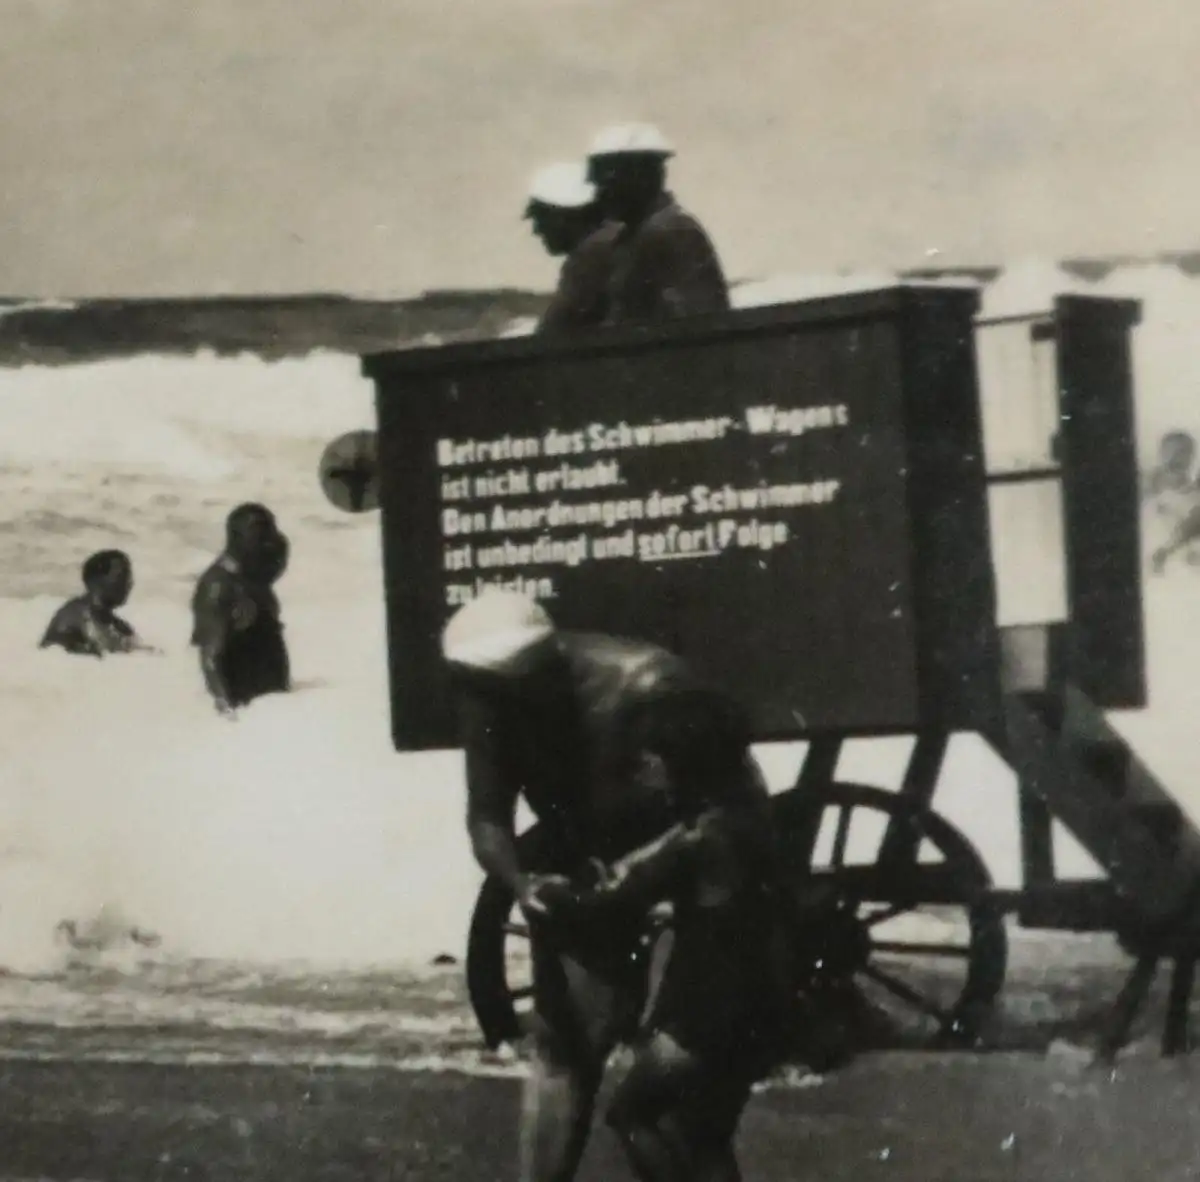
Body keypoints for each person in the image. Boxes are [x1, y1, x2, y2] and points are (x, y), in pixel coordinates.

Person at [441, 590, 783, 1182]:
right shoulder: (489, 694)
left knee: (677, 1105)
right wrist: (519, 882)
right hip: (592, 863)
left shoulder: (643, 682)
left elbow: (733, 800)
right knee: (563, 1048)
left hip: (689, 874)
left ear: (539, 675)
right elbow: (488, 815)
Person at [543, 687, 793, 1182]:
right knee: (708, 1136)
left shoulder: (696, 839)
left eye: (653, 758)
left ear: (684, 765)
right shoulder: (745, 821)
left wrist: (553, 893)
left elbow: (613, 900)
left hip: (704, 1011)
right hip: (758, 1006)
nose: (645, 767)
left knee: (630, 1115)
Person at [585, 123, 730, 325]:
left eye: (606, 182)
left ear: (640, 177)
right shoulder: (630, 237)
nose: (599, 194)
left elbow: (699, 324)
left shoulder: (672, 231)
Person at [191, 503, 291, 718]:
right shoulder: (218, 586)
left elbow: (279, 558)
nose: (270, 541)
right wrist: (225, 708)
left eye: (271, 531)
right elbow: (210, 656)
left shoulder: (254, 575)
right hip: (246, 704)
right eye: (261, 534)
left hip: (272, 702)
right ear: (237, 538)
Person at [524, 161, 620, 335]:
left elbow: (552, 332)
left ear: (562, 216)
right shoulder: (615, 240)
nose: (536, 231)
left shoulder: (592, 255)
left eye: (540, 218)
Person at [39, 549, 156, 658]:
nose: (129, 584)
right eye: (121, 577)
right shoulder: (71, 619)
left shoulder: (120, 627)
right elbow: (52, 659)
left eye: (129, 578)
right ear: (95, 581)